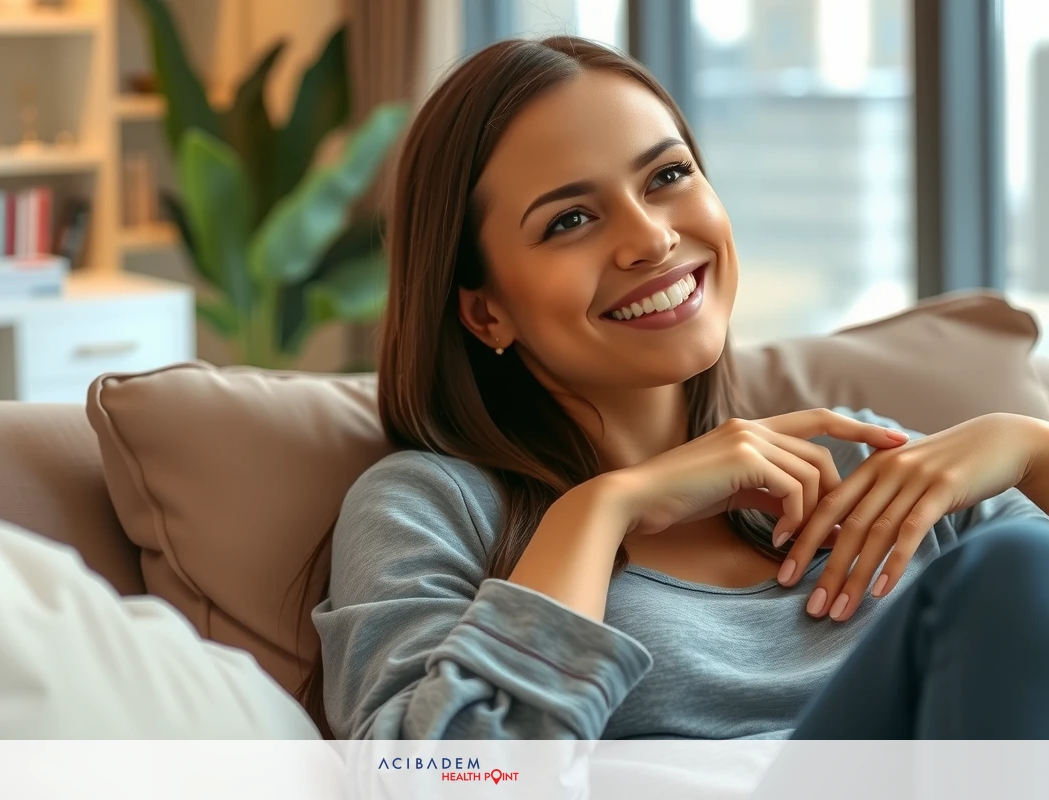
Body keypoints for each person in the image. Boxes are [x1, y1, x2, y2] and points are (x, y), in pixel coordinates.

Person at [301, 35, 1049, 741]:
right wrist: (602, 509)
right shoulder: (430, 506)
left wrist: (1026, 447)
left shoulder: (860, 462)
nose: (652, 238)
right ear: (485, 311)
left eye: (667, 176)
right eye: (570, 220)